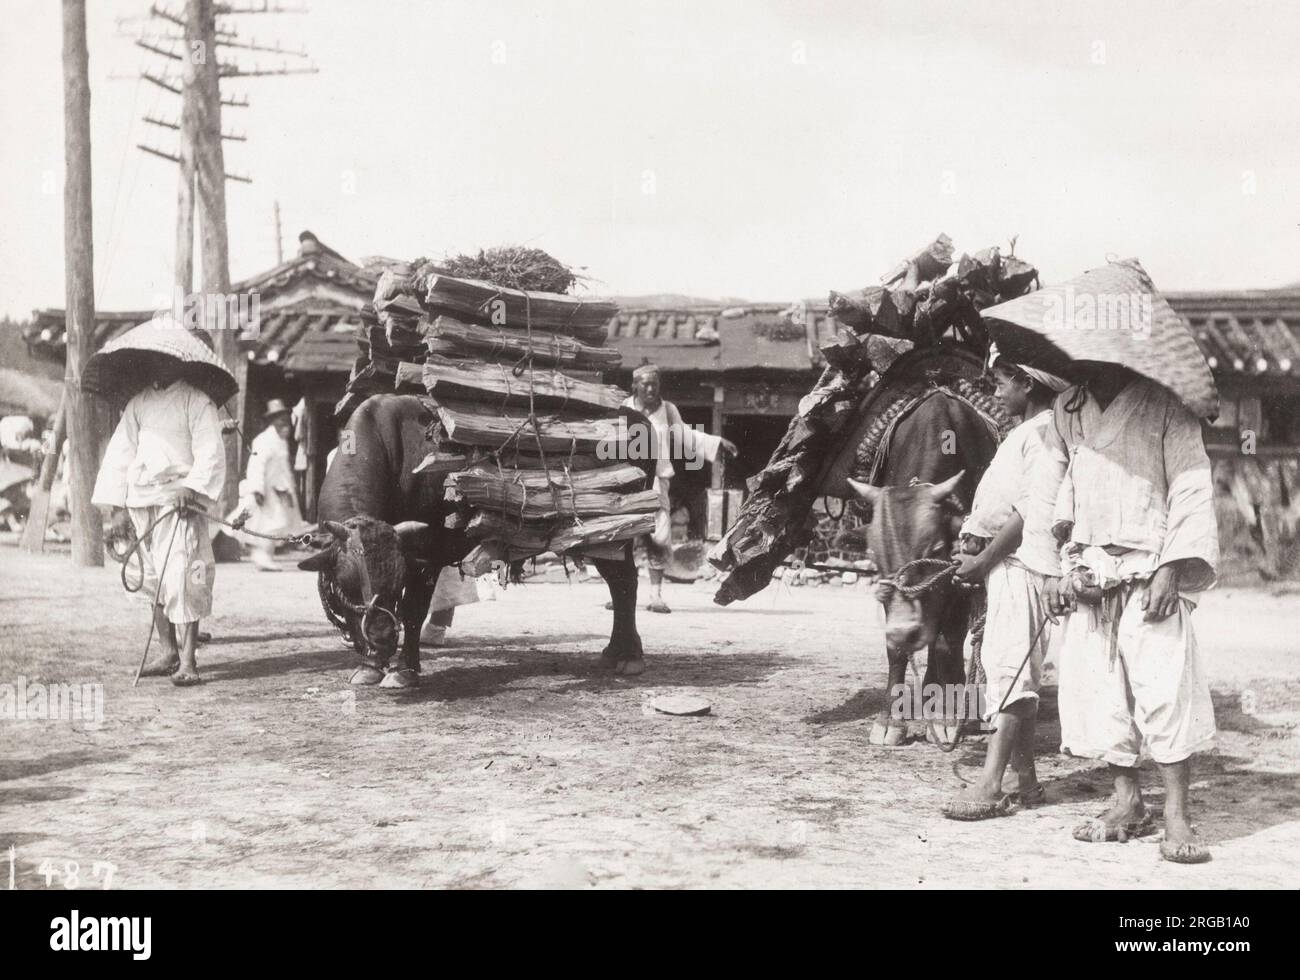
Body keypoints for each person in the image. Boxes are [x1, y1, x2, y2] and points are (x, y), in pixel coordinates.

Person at [1040, 365, 1219, 863]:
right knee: (1100, 694)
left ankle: (1177, 814)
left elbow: (1190, 485)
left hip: (1149, 567)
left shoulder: (1167, 402)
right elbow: (1060, 491)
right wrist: (1061, 569)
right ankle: (1127, 800)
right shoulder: (1067, 407)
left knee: (1163, 690)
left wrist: (1172, 568)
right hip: (1090, 571)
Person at [942, 352, 1070, 820]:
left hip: (1023, 560)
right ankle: (1026, 778)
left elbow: (1028, 512)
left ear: (1028, 384)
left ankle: (992, 783)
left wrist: (983, 560)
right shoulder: (1025, 432)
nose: (995, 392)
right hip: (1005, 561)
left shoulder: (1041, 434)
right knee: (1013, 664)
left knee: (1010, 667)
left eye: (1000, 382)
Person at [92, 352, 226, 686]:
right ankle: (167, 650)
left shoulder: (197, 401)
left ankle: (188, 659)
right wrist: (117, 506)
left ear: (180, 362)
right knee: (148, 576)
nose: (159, 366)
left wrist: (192, 489)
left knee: (183, 572)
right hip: (141, 497)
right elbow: (120, 453)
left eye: (166, 360)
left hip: (179, 500)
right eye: (153, 361)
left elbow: (210, 449)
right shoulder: (137, 404)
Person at [620, 364, 737, 613]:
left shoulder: (668, 410)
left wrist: (716, 443)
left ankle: (656, 596)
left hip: (657, 482)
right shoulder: (624, 408)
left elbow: (685, 435)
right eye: (645, 384)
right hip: (626, 480)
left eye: (655, 383)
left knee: (660, 536)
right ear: (635, 386)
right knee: (623, 537)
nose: (650, 388)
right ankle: (620, 593)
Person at [235, 399, 303, 571]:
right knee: (268, 524)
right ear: (273, 421)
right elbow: (256, 465)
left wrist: (290, 489)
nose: (285, 425)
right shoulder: (264, 440)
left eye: (287, 421)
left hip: (280, 490)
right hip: (265, 490)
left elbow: (284, 468)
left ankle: (266, 557)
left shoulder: (282, 441)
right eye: (281, 421)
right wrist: (257, 488)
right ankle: (261, 557)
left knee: (277, 524)